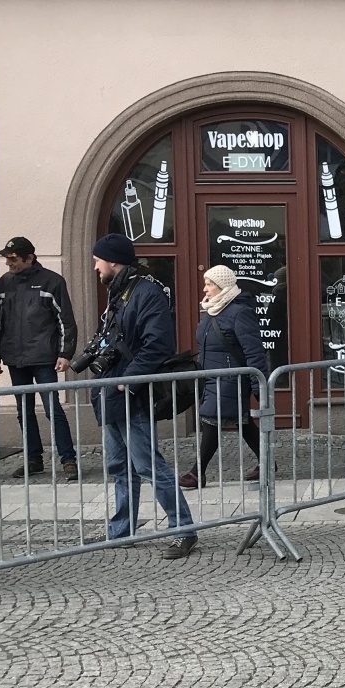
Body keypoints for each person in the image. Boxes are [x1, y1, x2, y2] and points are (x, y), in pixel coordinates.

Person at [88, 233, 197, 558]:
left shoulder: (146, 293)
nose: (95, 267)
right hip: (111, 394)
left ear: (113, 261)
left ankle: (184, 529)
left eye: (97, 261)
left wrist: (130, 379)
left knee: (149, 465)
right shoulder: (119, 293)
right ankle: (121, 531)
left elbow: (158, 344)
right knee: (119, 466)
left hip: (129, 395)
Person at [0, 236, 79, 479]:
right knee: (23, 410)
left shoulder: (52, 282)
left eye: (14, 259)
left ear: (30, 258)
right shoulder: (4, 284)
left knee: (53, 410)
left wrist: (65, 353)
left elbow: (66, 321)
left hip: (44, 357)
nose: (9, 263)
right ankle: (33, 459)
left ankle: (68, 459)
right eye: (7, 259)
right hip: (15, 358)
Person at [181, 265, 268, 489]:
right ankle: (268, 462)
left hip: (230, 378)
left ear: (222, 287)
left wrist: (260, 388)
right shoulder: (210, 311)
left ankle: (196, 473)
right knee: (243, 421)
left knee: (211, 419)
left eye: (209, 285)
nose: (204, 289)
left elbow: (254, 351)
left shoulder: (240, 312)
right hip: (211, 377)